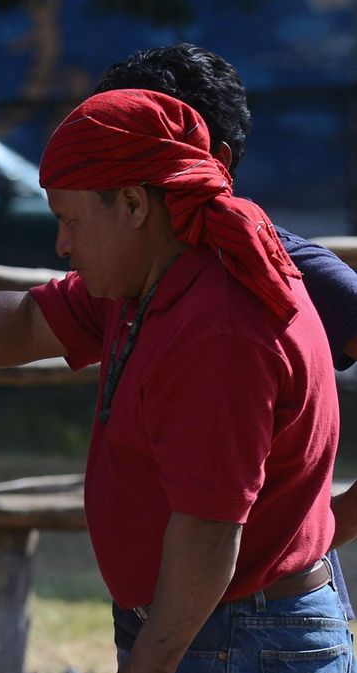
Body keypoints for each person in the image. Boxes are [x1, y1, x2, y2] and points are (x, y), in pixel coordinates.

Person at [0, 89, 353, 673]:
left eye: (70, 220)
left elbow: (207, 532)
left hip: (241, 641)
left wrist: (145, 669)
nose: (61, 244)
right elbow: (26, 323)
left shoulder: (216, 326)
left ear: (133, 205)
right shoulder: (153, 274)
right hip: (221, 630)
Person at [91, 43, 357, 640]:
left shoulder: (287, 268)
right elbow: (34, 318)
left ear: (218, 159)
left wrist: (322, 527)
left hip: (260, 629)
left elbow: (212, 524)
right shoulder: (140, 263)